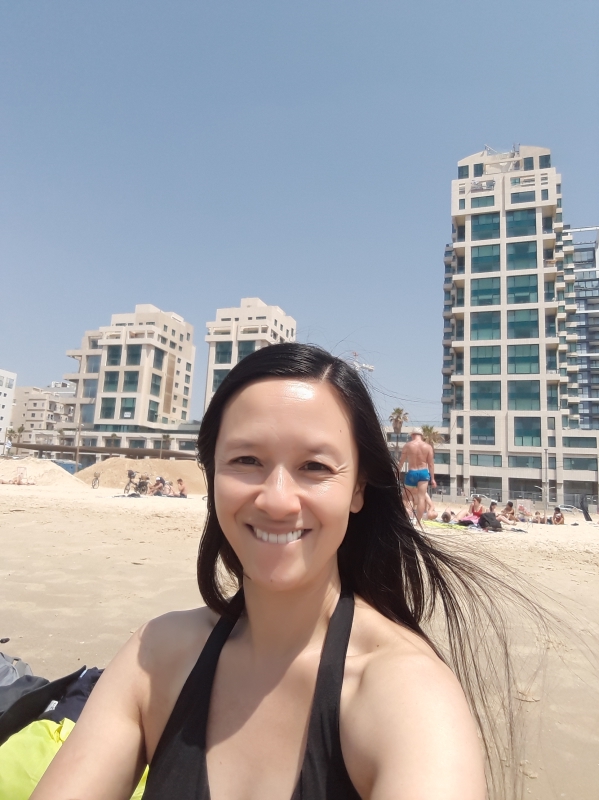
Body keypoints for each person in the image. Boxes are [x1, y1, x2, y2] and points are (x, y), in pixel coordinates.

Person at [33, 344, 537, 800]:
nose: (276, 501)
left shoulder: (407, 698)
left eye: (315, 467)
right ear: (212, 475)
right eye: (246, 459)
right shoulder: (158, 657)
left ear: (358, 489)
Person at [398, 427, 436, 523]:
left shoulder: (408, 445)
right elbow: (431, 464)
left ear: (412, 435)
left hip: (412, 472)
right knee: (421, 498)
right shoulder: (428, 447)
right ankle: (418, 522)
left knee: (406, 497)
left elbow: (401, 462)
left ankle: (407, 518)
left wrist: (397, 473)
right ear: (422, 436)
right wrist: (433, 479)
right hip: (424, 473)